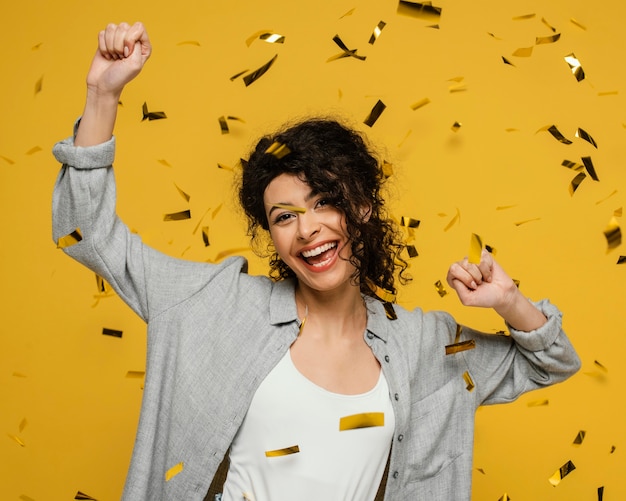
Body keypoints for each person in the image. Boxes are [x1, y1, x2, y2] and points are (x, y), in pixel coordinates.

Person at [52, 22, 580, 501]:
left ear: (364, 207)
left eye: (325, 201)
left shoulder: (425, 346)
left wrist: (509, 302)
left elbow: (551, 362)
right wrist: (103, 93)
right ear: (273, 236)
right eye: (284, 217)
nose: (307, 229)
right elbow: (89, 235)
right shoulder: (217, 303)